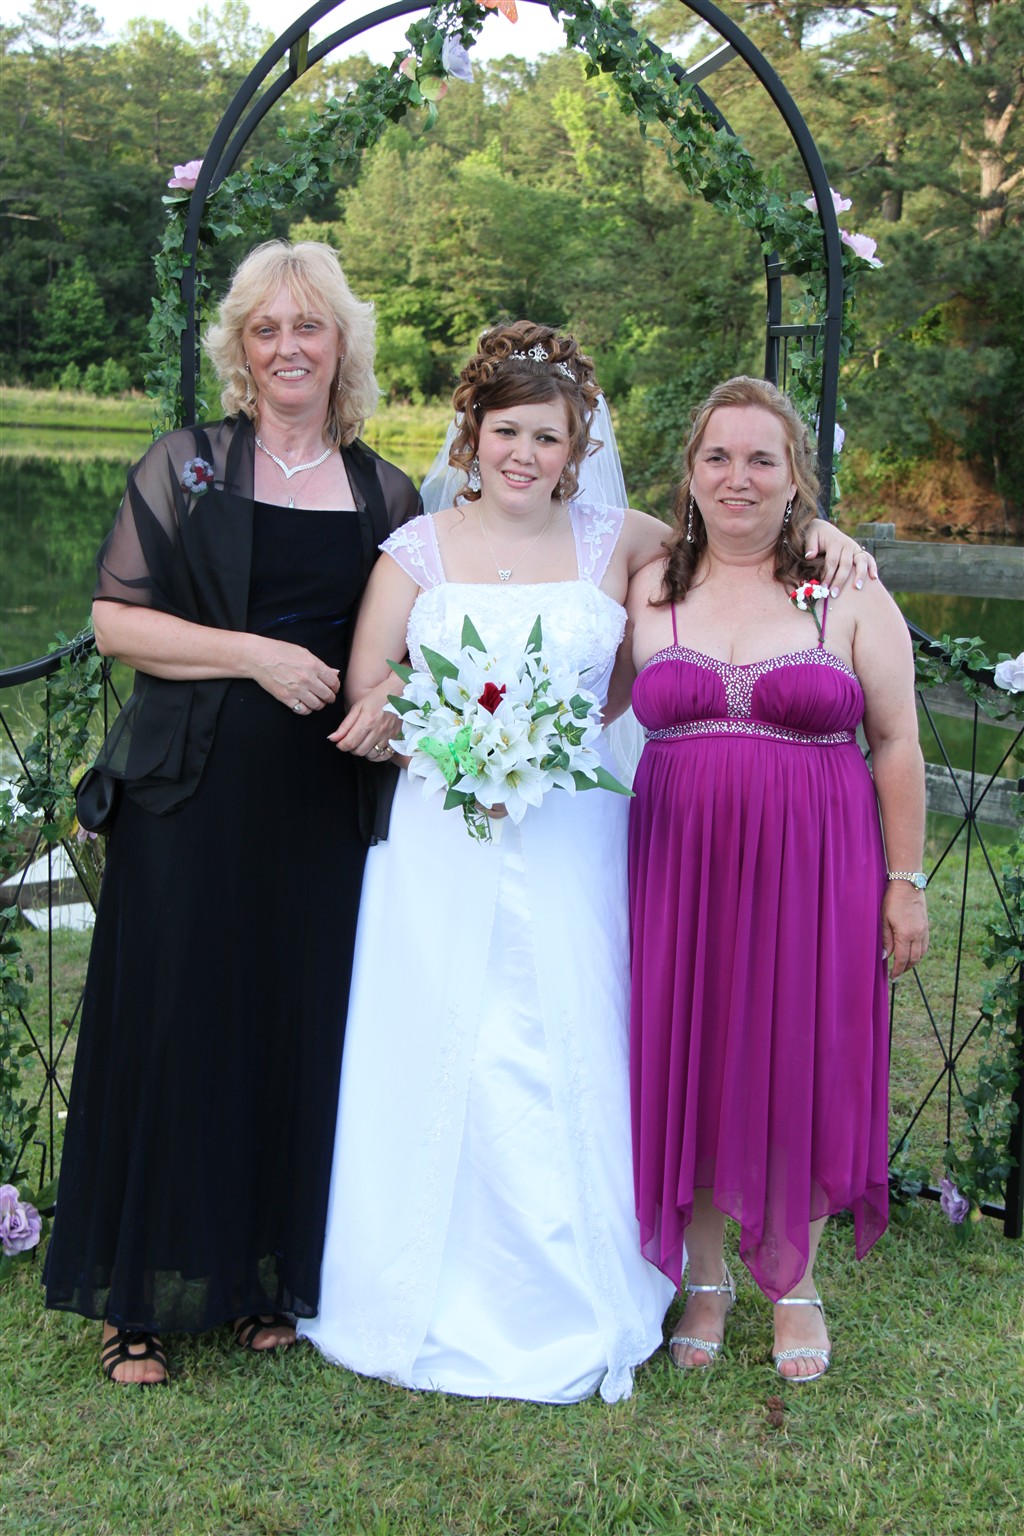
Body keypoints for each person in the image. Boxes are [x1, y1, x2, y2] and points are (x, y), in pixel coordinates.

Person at [298, 326, 874, 1402]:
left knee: (580, 1023)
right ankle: (419, 1277)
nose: (524, 453)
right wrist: (428, 727)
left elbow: (737, 537)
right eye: (507, 431)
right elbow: (370, 679)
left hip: (573, 829)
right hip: (446, 832)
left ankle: (598, 1278)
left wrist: (828, 533)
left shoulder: (622, 540)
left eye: (548, 437)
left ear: (577, 450)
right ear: (472, 436)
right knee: (453, 1033)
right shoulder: (416, 548)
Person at [43, 241, 420, 1384]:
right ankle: (137, 1297)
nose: (288, 347)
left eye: (309, 326)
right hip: (190, 795)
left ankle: (265, 1276)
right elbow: (118, 624)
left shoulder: (386, 492)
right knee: (175, 1023)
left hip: (318, 806)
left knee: (295, 1024)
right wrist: (256, 654)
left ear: (341, 344)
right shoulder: (188, 466)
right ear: (240, 349)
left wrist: (393, 696)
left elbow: (416, 643)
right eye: (266, 329)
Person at [627, 376, 928, 1384]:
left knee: (800, 1047)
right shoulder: (646, 583)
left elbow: (896, 741)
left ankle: (794, 1285)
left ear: (796, 474)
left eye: (763, 458)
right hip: (679, 868)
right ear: (689, 472)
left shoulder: (846, 589)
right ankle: (706, 1279)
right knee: (697, 1051)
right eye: (718, 456)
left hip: (816, 867)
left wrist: (905, 881)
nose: (738, 477)